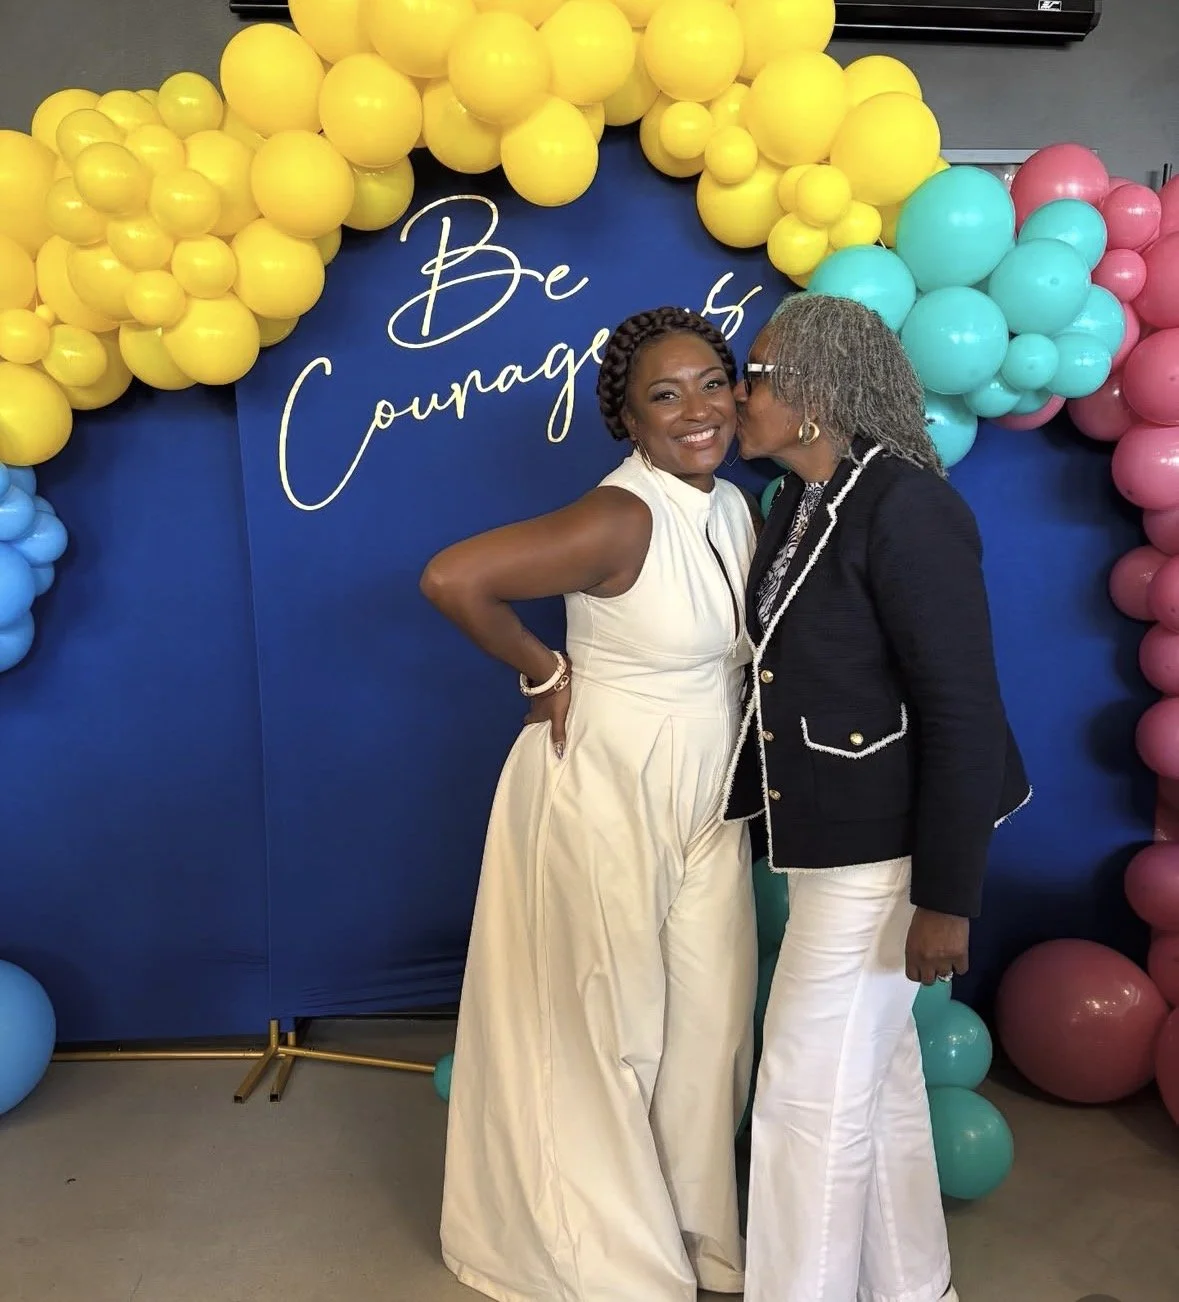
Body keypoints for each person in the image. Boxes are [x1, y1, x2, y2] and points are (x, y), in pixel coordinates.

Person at [420, 306, 760, 1302]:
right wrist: (538, 669)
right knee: (611, 1027)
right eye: (665, 394)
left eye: (711, 382)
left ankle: (704, 1233)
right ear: (630, 420)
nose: (696, 409)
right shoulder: (623, 516)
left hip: (706, 794)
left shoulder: (731, 505)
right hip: (603, 790)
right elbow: (454, 578)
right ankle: (610, 1258)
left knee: (710, 1020)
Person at [723, 293, 1031, 1302]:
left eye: (756, 375)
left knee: (805, 1099)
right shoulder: (806, 500)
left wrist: (948, 895)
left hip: (886, 860)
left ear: (813, 394)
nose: (739, 393)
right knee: (880, 1080)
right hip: (832, 846)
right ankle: (914, 1288)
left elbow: (963, 712)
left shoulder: (907, 505)